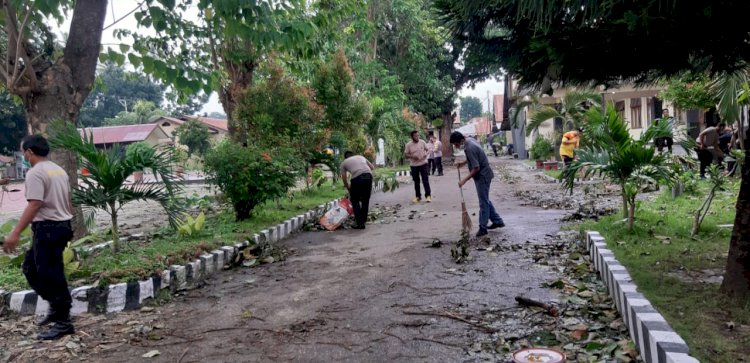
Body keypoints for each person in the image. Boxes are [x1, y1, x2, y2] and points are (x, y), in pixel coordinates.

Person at [3, 135, 75, 340]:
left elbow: (34, 204)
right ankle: (56, 307)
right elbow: (68, 200)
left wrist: (15, 233)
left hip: (48, 228)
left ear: (29, 152)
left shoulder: (35, 173)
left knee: (51, 274)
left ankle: (63, 322)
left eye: (23, 152)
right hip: (61, 225)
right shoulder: (57, 169)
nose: (23, 155)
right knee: (31, 267)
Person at [450, 131, 505, 237]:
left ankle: (482, 227)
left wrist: (464, 180)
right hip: (484, 174)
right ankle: (497, 221)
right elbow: (474, 157)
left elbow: (476, 168)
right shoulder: (470, 140)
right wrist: (464, 163)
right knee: (485, 199)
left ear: (460, 140)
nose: (456, 146)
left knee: (483, 202)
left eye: (456, 144)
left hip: (482, 176)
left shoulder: (469, 147)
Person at [340, 151, 375, 230]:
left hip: (357, 178)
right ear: (353, 155)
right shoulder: (360, 156)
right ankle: (363, 220)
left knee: (355, 200)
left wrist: (348, 188)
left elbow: (344, 178)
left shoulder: (344, 163)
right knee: (365, 200)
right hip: (368, 176)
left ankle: (360, 223)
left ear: (345, 157)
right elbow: (372, 167)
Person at [404, 130, 431, 203]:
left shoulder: (422, 142)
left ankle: (428, 196)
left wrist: (426, 154)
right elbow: (406, 155)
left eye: (418, 135)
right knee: (416, 181)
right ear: (412, 137)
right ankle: (418, 197)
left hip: (423, 164)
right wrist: (412, 156)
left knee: (425, 180)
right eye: (415, 136)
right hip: (414, 165)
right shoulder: (408, 145)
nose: (417, 137)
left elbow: (428, 150)